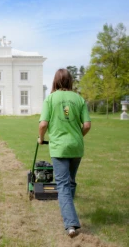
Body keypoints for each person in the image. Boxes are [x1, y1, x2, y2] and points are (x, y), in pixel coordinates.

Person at [38, 68, 91, 237]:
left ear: (55, 81)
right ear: (70, 81)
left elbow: (43, 124)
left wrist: (41, 138)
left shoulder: (51, 99)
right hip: (76, 147)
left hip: (59, 147)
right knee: (70, 181)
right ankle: (69, 209)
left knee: (62, 185)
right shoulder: (79, 99)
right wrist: (77, 137)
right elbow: (87, 125)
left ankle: (70, 224)